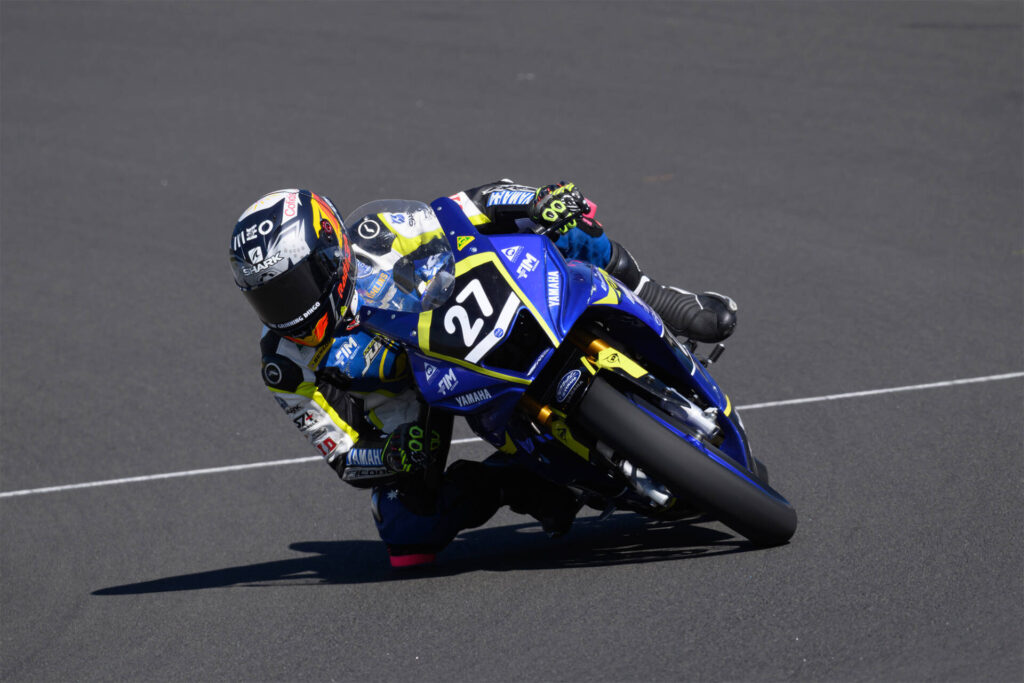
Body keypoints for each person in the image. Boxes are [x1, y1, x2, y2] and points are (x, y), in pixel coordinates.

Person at [229, 182, 737, 567]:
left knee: (564, 223)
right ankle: (510, 480)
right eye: (269, 298)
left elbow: (469, 204)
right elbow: (340, 453)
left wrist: (536, 200)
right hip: (413, 402)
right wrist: (388, 455)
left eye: (294, 287)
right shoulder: (284, 363)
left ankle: (654, 294)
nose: (288, 310)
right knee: (407, 532)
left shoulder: (375, 234)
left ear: (330, 254)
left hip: (460, 316)